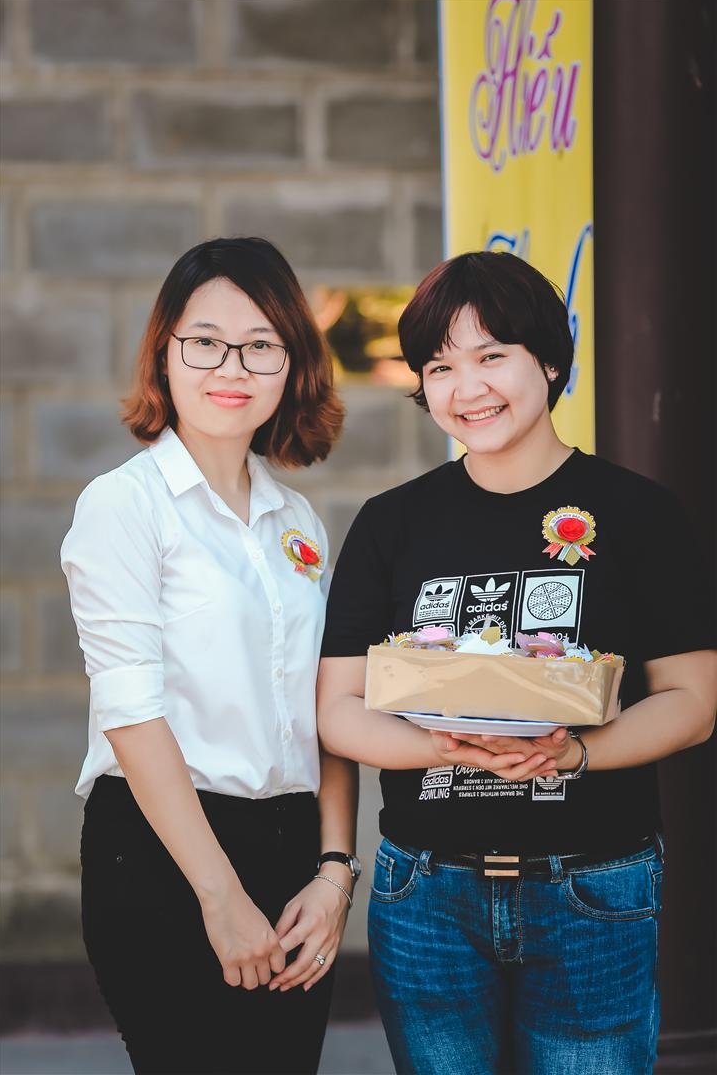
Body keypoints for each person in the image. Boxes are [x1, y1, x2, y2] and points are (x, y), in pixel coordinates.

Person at [317, 251, 716, 1075]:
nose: (467, 388)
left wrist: (573, 754)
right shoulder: (391, 523)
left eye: (492, 355)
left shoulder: (640, 514)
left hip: (594, 886)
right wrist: (445, 747)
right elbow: (338, 710)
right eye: (440, 367)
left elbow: (693, 699)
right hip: (424, 894)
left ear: (551, 362)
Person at [61, 236, 360, 1075]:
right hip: (164, 850)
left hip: (294, 848)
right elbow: (130, 713)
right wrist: (219, 894)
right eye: (205, 342)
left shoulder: (297, 520)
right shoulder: (124, 506)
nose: (232, 367)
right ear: (165, 352)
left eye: (262, 344)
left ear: (292, 365)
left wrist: (335, 872)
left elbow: (329, 709)